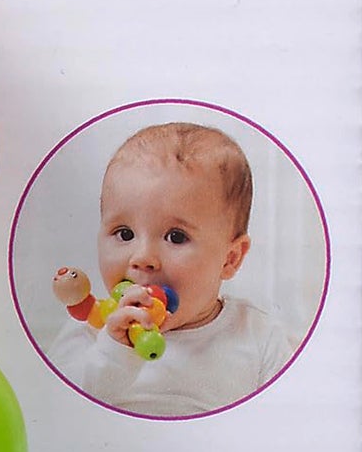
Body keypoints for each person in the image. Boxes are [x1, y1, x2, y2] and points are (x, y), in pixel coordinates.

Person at [47, 122, 299, 417]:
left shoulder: (259, 337)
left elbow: (287, 421)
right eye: (125, 234)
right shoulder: (91, 329)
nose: (143, 257)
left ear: (230, 259)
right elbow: (53, 410)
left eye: (176, 237)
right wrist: (114, 352)